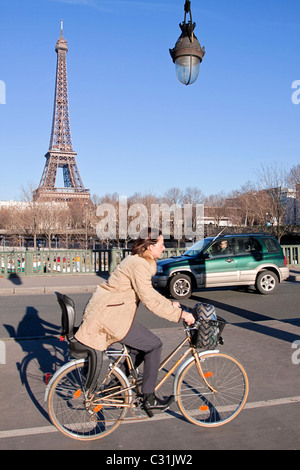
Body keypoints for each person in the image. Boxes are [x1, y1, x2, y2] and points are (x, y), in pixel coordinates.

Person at [75, 228, 195, 417]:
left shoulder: (137, 261)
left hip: (111, 314)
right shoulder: (139, 265)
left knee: (139, 348)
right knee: (154, 345)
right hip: (111, 318)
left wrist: (171, 304)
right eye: (162, 244)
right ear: (149, 246)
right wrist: (180, 315)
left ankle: (114, 390)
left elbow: (149, 293)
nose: (164, 248)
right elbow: (148, 299)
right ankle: (149, 398)